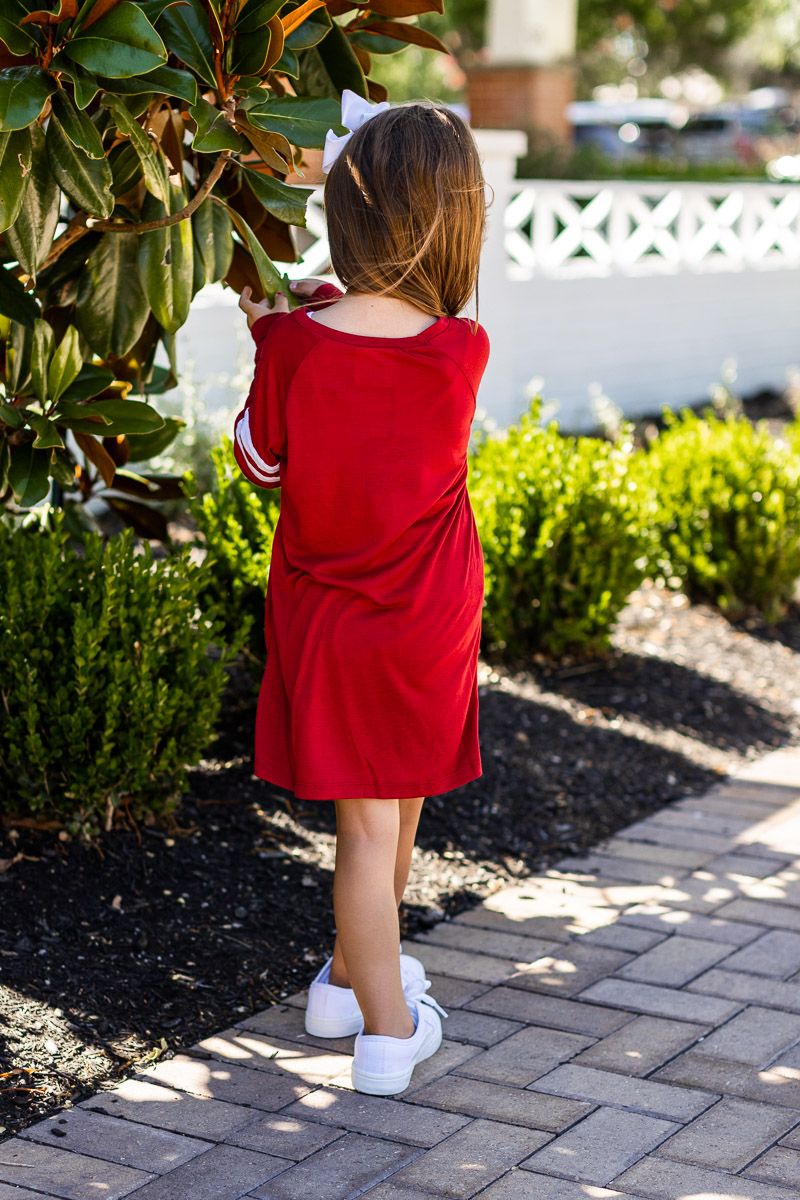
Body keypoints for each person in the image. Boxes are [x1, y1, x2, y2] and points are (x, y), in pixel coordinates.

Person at [233, 90, 490, 1096]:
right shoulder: (458, 352)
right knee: (398, 799)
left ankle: (352, 984)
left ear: (340, 219)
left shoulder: (294, 345)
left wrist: (267, 330)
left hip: (330, 616)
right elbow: (383, 360)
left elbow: (261, 461)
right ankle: (388, 1029)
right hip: (427, 617)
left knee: (365, 820)